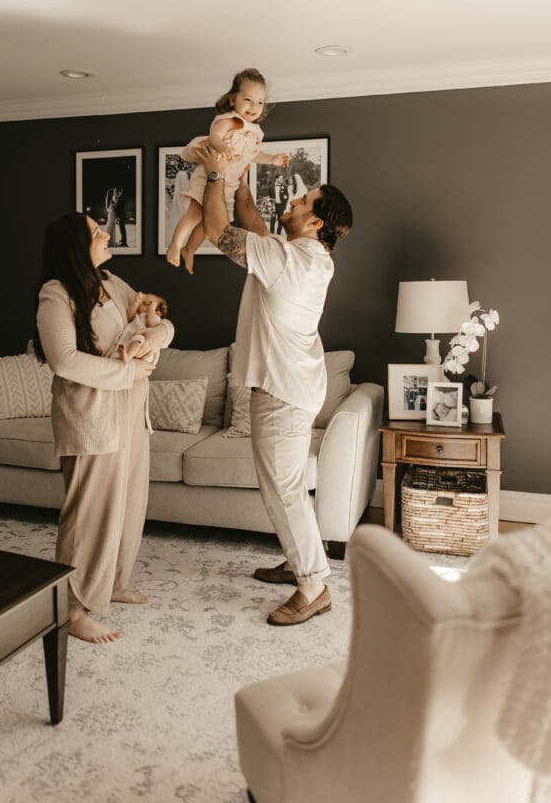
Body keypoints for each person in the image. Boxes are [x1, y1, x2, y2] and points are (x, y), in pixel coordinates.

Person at [198, 145, 353, 626]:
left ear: (316, 223)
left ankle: (314, 585)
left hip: (283, 392)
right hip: (293, 386)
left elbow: (219, 232)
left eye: (303, 202)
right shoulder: (303, 257)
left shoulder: (289, 260)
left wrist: (215, 176)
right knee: (285, 488)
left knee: (282, 491)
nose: (293, 201)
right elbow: (257, 230)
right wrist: (243, 188)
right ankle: (297, 560)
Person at [34, 213, 174, 644]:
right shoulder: (56, 294)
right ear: (77, 246)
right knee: (89, 512)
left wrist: (150, 340)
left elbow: (164, 324)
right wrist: (128, 371)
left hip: (131, 411)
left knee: (130, 501)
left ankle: (112, 583)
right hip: (91, 413)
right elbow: (64, 360)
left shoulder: (113, 283)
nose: (107, 235)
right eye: (97, 233)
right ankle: (73, 609)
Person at [165, 68, 289, 274]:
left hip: (228, 183)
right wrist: (222, 146)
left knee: (210, 220)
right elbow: (214, 136)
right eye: (248, 99)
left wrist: (273, 159)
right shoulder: (231, 120)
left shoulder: (256, 132)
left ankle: (190, 249)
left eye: (260, 102)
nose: (254, 106)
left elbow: (252, 155)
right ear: (233, 100)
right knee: (196, 212)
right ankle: (175, 245)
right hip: (210, 176)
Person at [116, 292, 168, 363]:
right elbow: (128, 317)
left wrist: (151, 309)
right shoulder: (138, 315)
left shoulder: (155, 318)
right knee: (133, 342)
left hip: (144, 342)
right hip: (131, 341)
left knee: (137, 339)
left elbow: (151, 323)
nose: (141, 304)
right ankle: (127, 355)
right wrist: (137, 302)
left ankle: (127, 356)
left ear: (158, 312)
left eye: (146, 303)